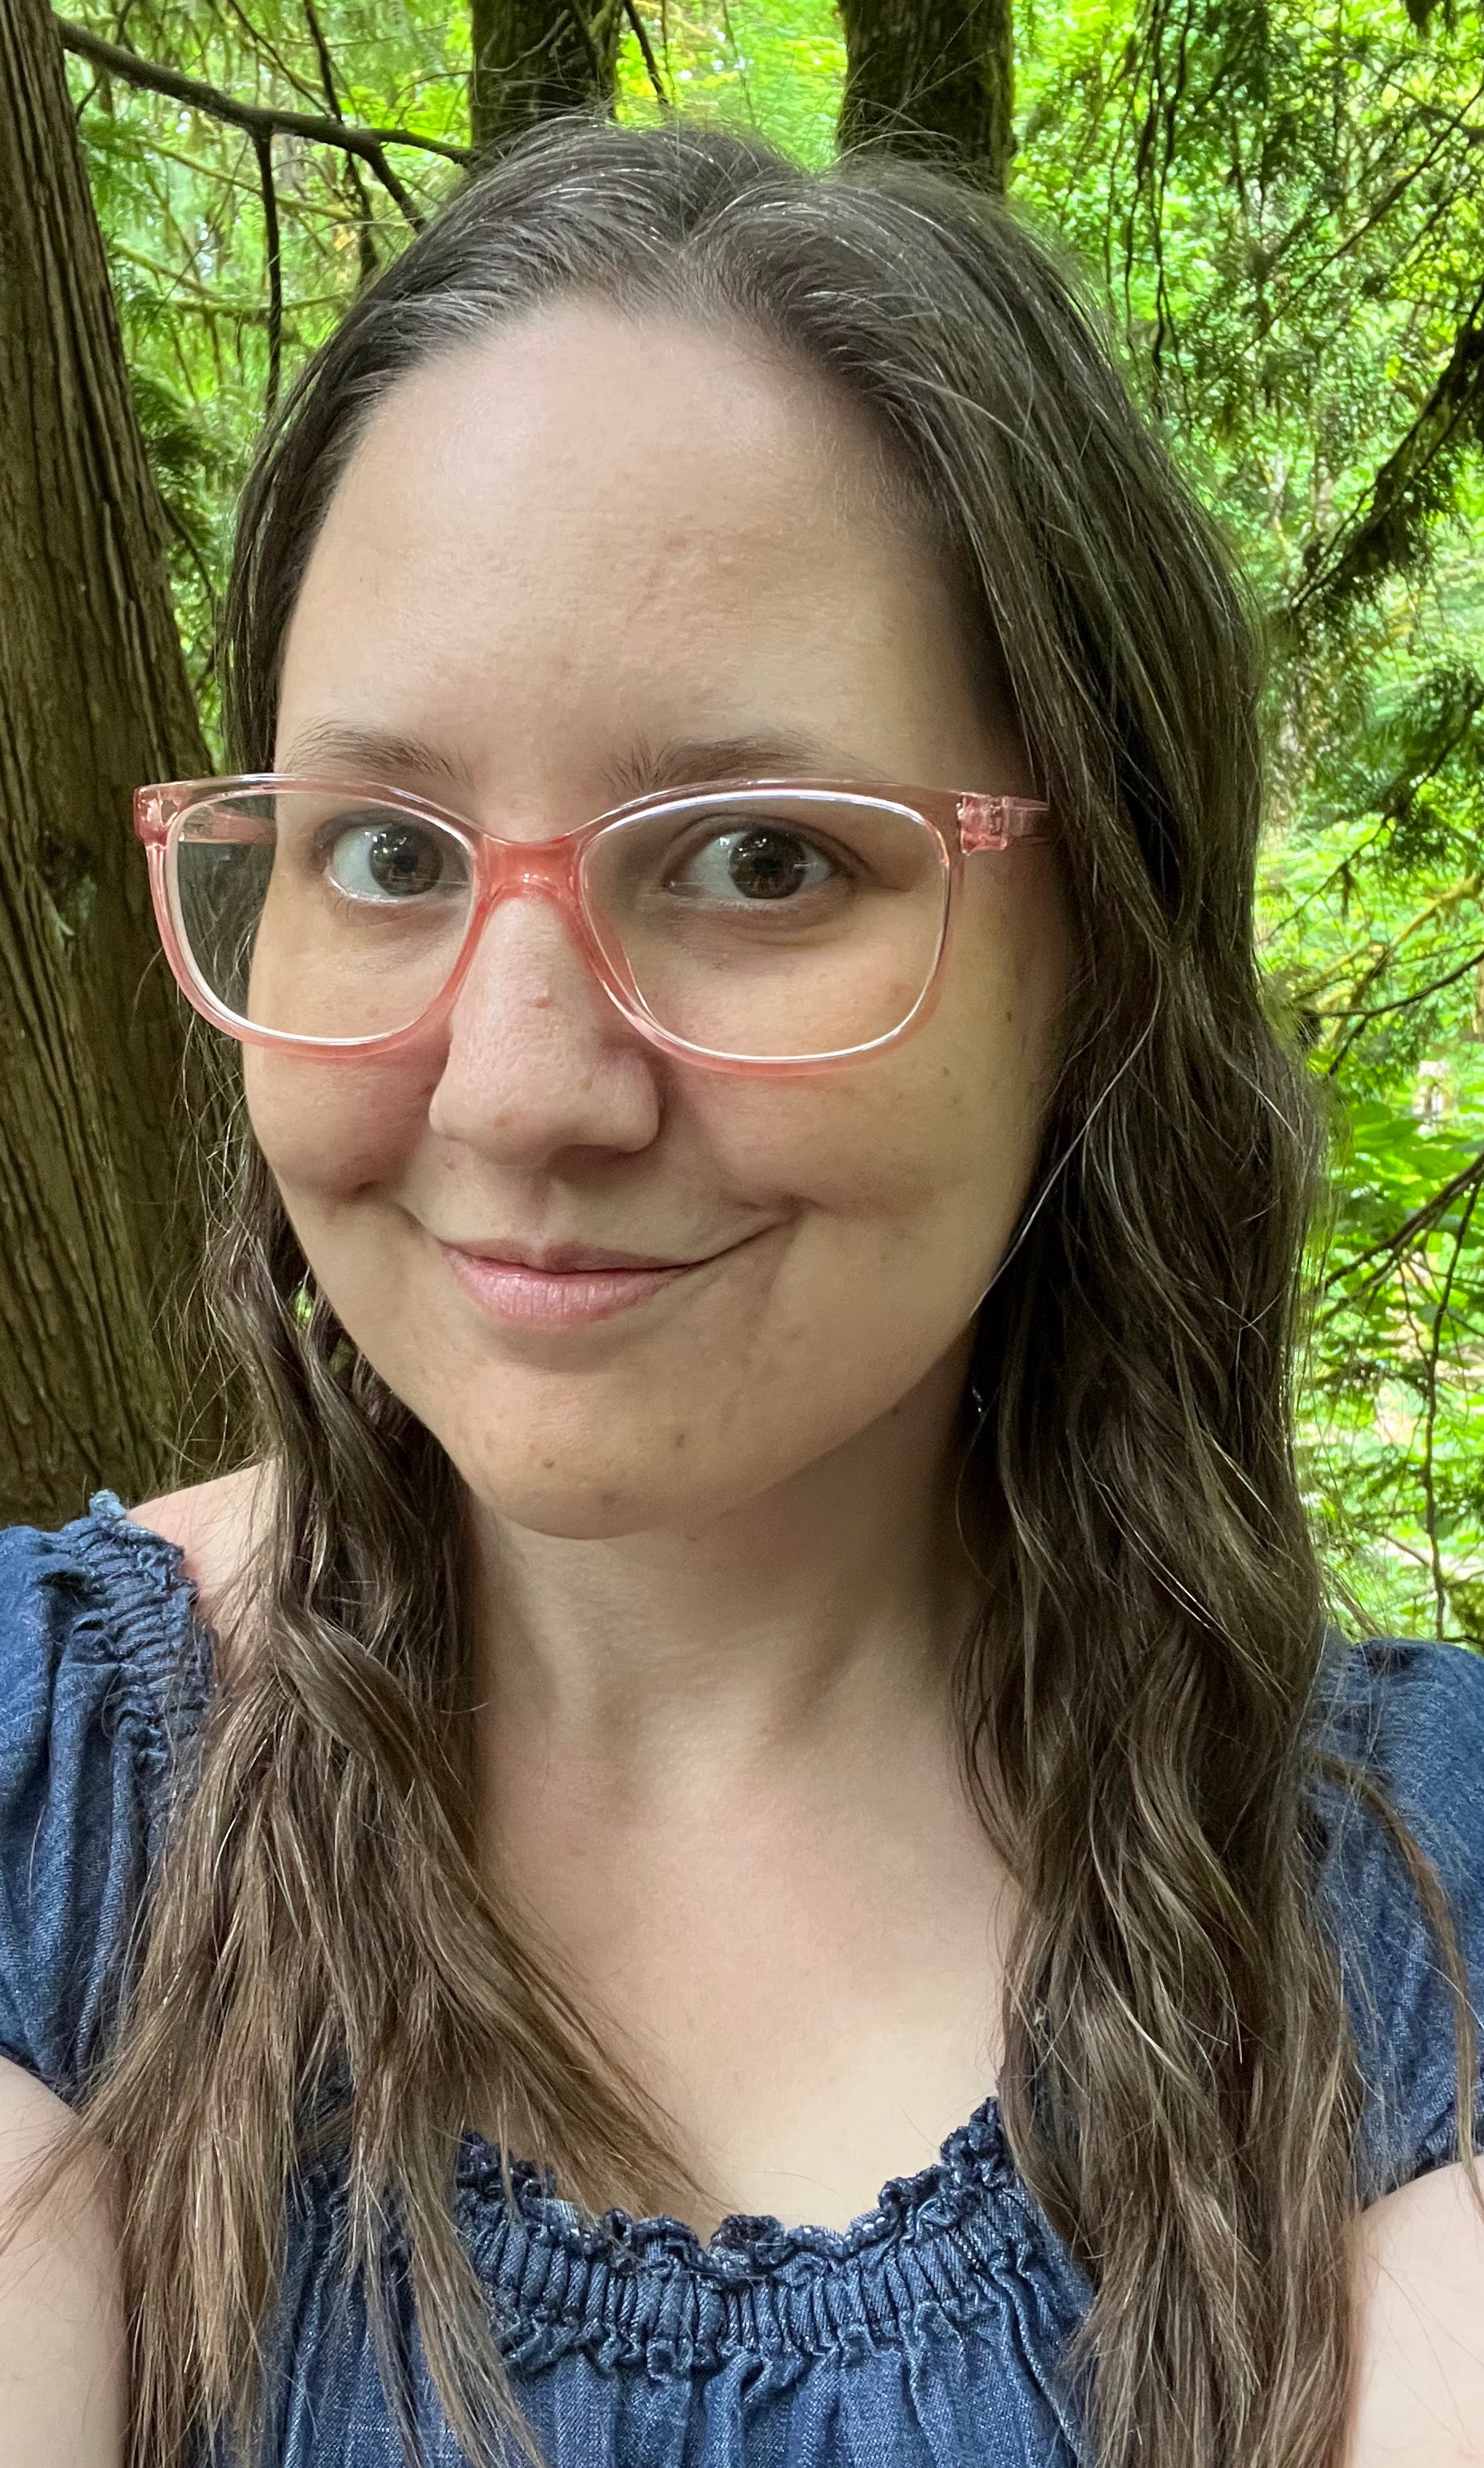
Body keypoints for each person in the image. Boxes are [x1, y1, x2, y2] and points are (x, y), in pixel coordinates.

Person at [2, 113, 1482, 2468]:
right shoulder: (56, 1811)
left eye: (761, 860)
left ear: (1097, 953)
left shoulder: (1409, 1924)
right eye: (384, 850)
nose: (517, 1088)